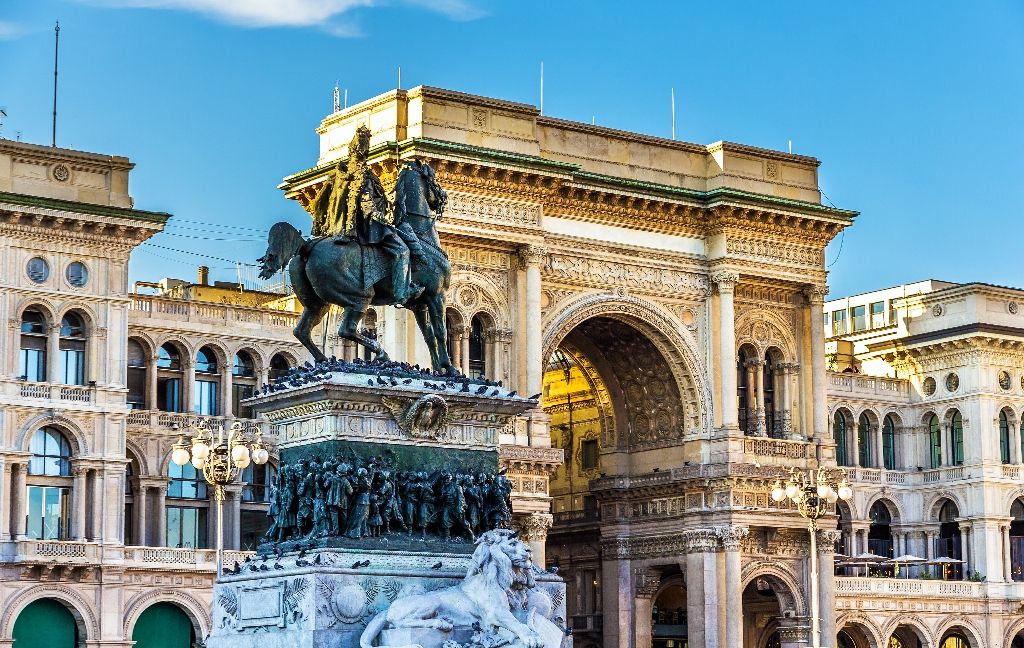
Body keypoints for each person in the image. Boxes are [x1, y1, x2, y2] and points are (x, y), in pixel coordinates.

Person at [310, 125, 423, 305]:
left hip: (350, 227)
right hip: (370, 228)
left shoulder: (343, 171)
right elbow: (366, 203)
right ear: (363, 150)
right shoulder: (362, 173)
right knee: (402, 251)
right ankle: (402, 292)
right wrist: (381, 217)